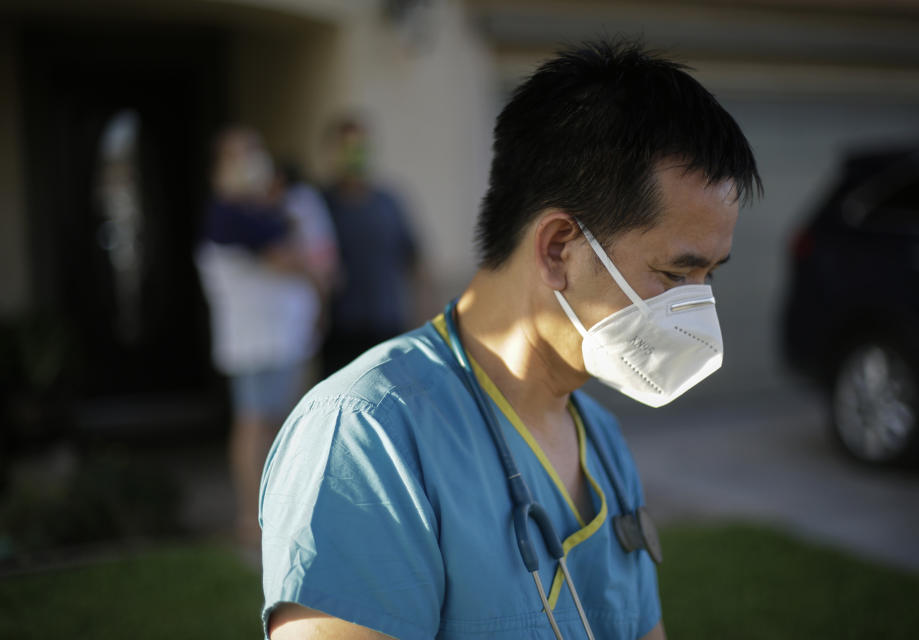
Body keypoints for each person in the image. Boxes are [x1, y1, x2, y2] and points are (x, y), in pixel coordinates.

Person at [260, 40, 761, 640]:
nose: (696, 310)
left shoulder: (598, 439)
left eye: (710, 277)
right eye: (676, 276)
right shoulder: (367, 438)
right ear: (558, 249)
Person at [194, 128, 329, 550]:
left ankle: (276, 511)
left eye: (255, 152)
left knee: (277, 425)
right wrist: (314, 277)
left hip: (280, 340)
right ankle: (251, 520)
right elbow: (288, 259)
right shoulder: (229, 214)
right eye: (240, 156)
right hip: (257, 342)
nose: (252, 162)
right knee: (256, 423)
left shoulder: (258, 209)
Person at [321, 117, 422, 375]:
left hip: (386, 324)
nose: (354, 154)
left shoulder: (388, 202)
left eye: (360, 146)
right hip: (339, 329)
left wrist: (423, 317)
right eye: (346, 147)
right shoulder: (321, 204)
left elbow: (414, 258)